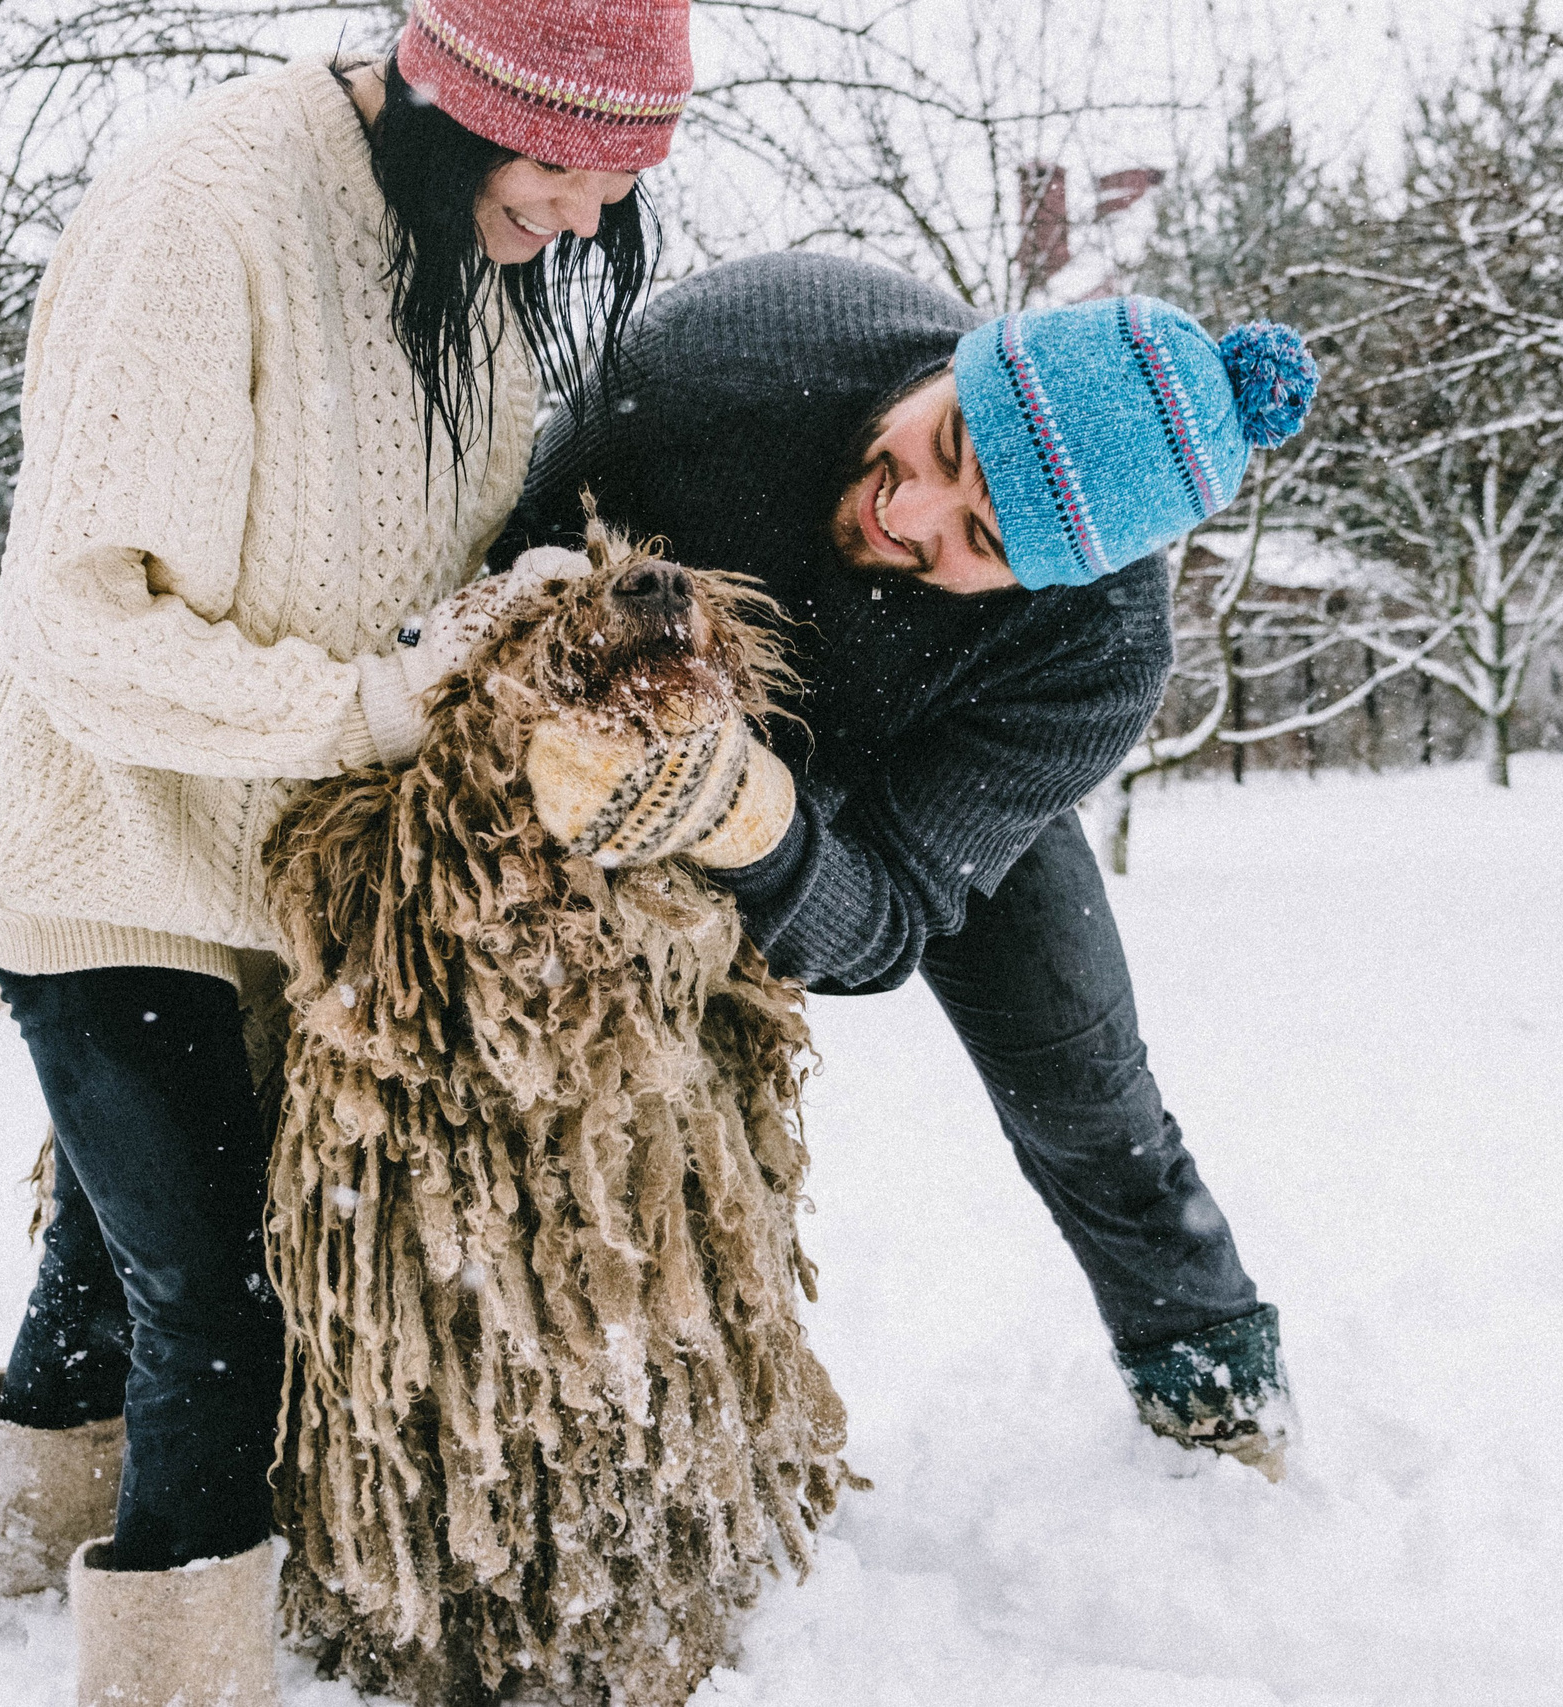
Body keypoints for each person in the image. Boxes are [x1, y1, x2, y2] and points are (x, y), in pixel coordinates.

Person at [0, 5, 713, 1701]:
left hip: (264, 863)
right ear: (457, 95)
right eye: (565, 165)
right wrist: (368, 705)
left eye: (620, 182)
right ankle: (171, 1676)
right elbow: (83, 626)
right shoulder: (201, 215)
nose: (584, 214)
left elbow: (406, 564)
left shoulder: (464, 241)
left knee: (121, 1247)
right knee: (223, 1302)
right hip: (96, 840)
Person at [496, 252, 1318, 1481]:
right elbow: (496, 569)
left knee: (1086, 1089)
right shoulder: (723, 357)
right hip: (632, 697)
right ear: (962, 363)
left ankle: (1216, 1399)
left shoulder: (1092, 651)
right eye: (943, 445)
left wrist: (751, 816)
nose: (909, 514)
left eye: (979, 536)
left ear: (1050, 578)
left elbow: (878, 930)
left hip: (919, 758)